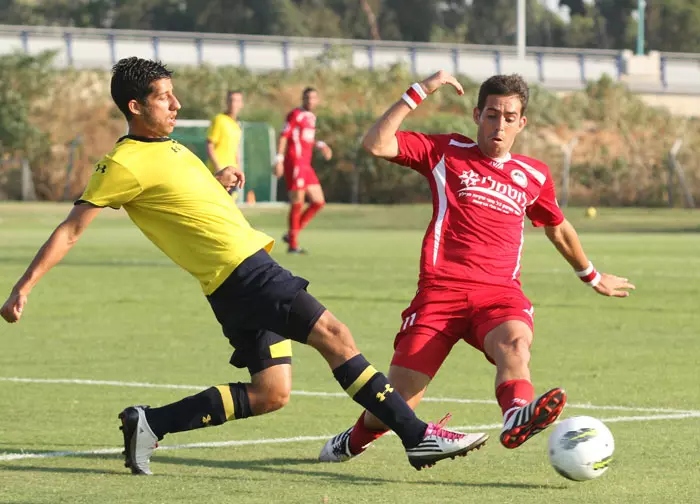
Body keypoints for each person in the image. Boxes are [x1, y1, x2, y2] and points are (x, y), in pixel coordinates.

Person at [0, 58, 486, 476]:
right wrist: (24, 286)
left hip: (235, 281)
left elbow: (181, 198)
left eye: (173, 95)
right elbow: (72, 227)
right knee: (336, 337)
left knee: (270, 393)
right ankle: (416, 436)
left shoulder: (167, 147)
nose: (176, 105)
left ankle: (151, 424)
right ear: (135, 107)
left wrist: (219, 181)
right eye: (164, 98)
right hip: (246, 274)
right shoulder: (123, 163)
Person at [319, 71, 635, 463]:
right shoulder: (445, 152)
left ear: (522, 123)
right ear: (476, 115)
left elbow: (557, 227)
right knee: (398, 402)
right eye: (491, 115)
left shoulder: (534, 175)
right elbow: (376, 144)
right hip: (440, 293)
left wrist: (590, 274)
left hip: (499, 295)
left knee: (516, 345)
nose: (498, 125)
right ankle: (353, 440)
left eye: (508, 117)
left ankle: (516, 414)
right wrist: (421, 91)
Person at [273, 87, 332, 254]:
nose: (310, 101)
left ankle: (293, 233)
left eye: (313, 98)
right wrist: (279, 159)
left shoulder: (311, 117)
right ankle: (293, 245)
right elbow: (284, 136)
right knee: (297, 201)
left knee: (318, 201)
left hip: (306, 165)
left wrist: (321, 145)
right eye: (307, 98)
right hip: (295, 162)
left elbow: (307, 139)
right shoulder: (295, 115)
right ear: (302, 99)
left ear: (317, 100)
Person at [207, 90, 244, 196]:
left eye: (237, 101)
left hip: (232, 174)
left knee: (231, 208)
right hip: (219, 173)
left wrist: (239, 170)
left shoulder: (237, 125)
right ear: (226, 102)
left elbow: (235, 150)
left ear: (241, 104)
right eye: (231, 100)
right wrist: (218, 168)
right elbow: (210, 145)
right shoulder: (219, 120)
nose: (233, 103)